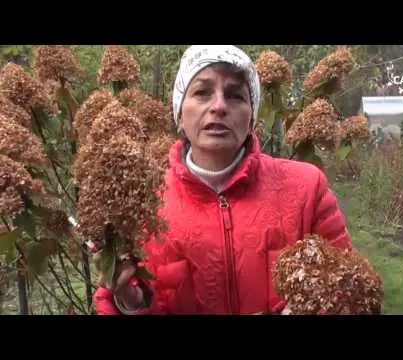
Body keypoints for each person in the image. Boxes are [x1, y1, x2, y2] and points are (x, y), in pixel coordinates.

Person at [93, 45, 352, 315]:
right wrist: (130, 302)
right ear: (180, 114)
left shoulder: (307, 188)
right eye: (202, 92)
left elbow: (347, 287)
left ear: (252, 116)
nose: (218, 106)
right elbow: (109, 303)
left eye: (235, 96)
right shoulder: (142, 203)